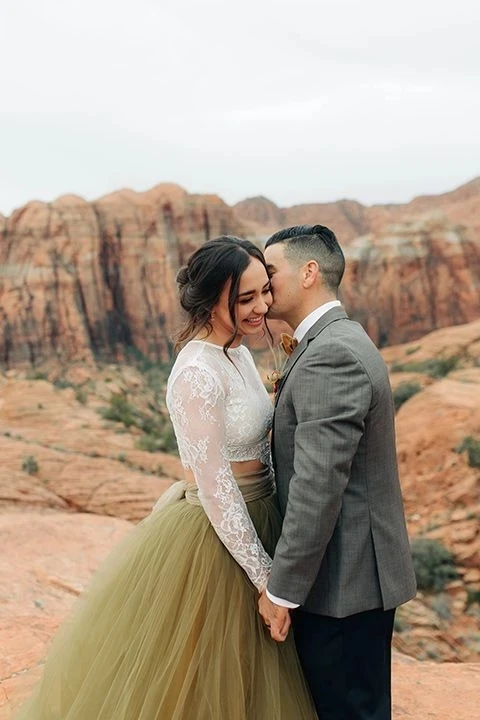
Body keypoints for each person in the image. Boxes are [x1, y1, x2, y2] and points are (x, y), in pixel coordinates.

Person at [16, 236, 316, 720]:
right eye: (245, 298)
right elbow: (215, 485)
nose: (262, 306)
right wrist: (266, 579)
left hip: (264, 516)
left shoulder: (237, 353)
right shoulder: (195, 372)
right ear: (211, 299)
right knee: (204, 677)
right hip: (216, 539)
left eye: (265, 292)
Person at [258, 225, 417, 720]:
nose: (263, 288)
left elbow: (317, 487)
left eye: (270, 273)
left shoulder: (331, 354)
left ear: (309, 273)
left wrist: (283, 590)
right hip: (348, 579)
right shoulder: (334, 340)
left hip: (343, 585)